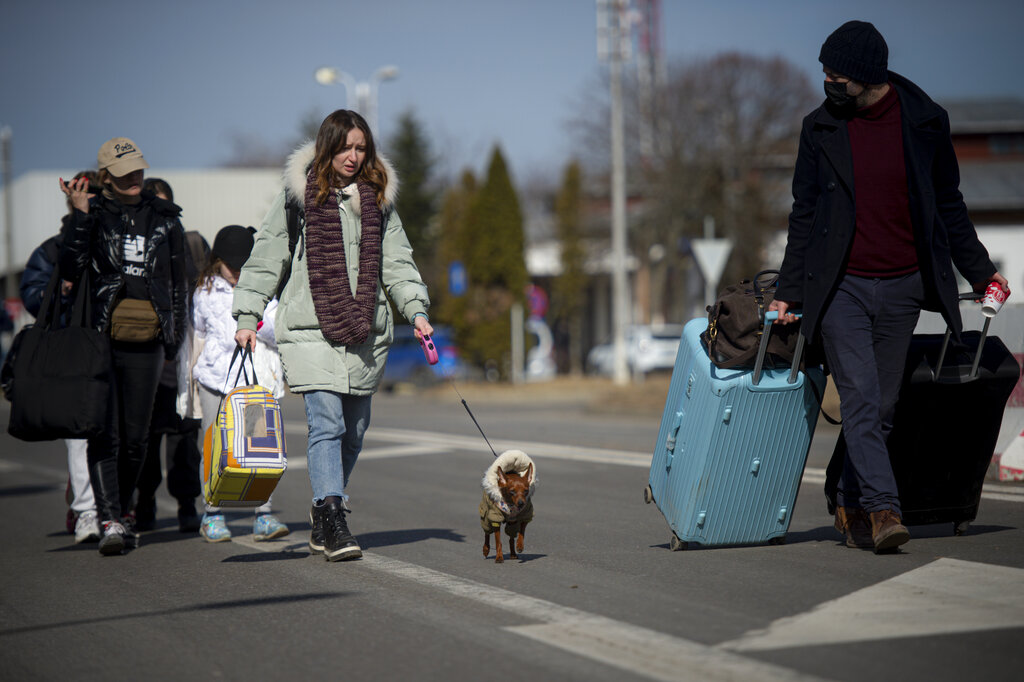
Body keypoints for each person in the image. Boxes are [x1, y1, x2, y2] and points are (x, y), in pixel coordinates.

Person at [770, 21, 1008, 554]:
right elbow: (804, 215)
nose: (828, 81)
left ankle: (847, 498)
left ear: (866, 75)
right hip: (842, 288)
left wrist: (981, 271)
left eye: (837, 74)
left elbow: (949, 205)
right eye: (824, 72)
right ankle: (884, 512)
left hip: (904, 286)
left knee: (881, 410)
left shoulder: (925, 123)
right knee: (859, 398)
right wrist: (790, 290)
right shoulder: (820, 128)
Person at [232, 109, 432, 562]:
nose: (354, 156)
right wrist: (248, 314)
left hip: (363, 330)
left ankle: (324, 510)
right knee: (328, 423)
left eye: (361, 148)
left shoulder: (379, 199)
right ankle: (333, 513)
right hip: (309, 328)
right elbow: (267, 256)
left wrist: (416, 311)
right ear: (328, 146)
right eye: (345, 147)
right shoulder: (296, 197)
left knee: (356, 430)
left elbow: (398, 262)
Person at [59, 137, 188, 555]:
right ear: (106, 178)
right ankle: (111, 516)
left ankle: (125, 507)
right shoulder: (93, 215)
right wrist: (79, 217)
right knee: (104, 433)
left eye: (137, 169)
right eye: (123, 172)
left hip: (148, 340)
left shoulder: (166, 218)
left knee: (136, 438)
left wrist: (175, 338)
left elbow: (178, 283)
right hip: (102, 338)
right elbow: (70, 268)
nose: (134, 177)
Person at [184, 224, 289, 542]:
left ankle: (263, 514)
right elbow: (198, 333)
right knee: (213, 447)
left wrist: (254, 319)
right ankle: (212, 515)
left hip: (253, 384)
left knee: (258, 449)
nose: (238, 273)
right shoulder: (204, 290)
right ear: (217, 261)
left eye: (244, 266)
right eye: (232, 267)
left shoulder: (262, 288)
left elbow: (275, 330)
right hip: (216, 379)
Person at [19, 171, 102, 544]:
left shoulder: (108, 242)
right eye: (83, 194)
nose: (91, 200)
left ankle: (116, 508)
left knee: (115, 436)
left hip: (107, 347)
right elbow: (33, 296)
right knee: (78, 435)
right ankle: (86, 511)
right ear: (71, 198)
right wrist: (62, 290)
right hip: (70, 352)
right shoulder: (53, 248)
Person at [133, 177, 206, 533]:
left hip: (182, 361)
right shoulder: (134, 248)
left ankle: (187, 503)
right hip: (148, 357)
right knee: (146, 440)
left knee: (184, 440)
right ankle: (143, 501)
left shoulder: (189, 245)